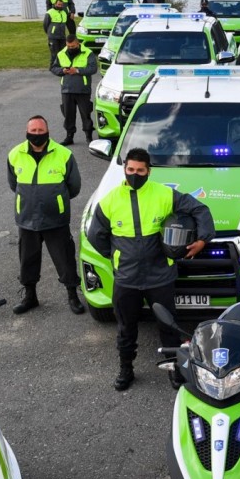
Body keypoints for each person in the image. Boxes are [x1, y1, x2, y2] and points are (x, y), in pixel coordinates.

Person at [86, 148, 216, 391]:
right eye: (130, 169)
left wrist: (202, 239)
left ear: (149, 171)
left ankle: (174, 368)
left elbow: (200, 210)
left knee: (168, 326)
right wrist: (116, 257)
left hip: (160, 276)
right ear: (125, 169)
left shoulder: (164, 194)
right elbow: (96, 235)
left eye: (140, 170)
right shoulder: (110, 200)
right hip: (127, 278)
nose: (134, 174)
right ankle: (126, 370)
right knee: (126, 329)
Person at [7, 115, 84, 316]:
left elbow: (74, 186)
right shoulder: (15, 154)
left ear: (48, 132)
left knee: (65, 258)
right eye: (33, 131)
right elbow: (13, 184)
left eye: (40, 131)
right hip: (27, 218)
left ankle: (72, 295)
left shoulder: (64, 154)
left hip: (55, 219)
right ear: (26, 132)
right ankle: (30, 296)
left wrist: (56, 200)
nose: (37, 134)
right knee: (27, 259)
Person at [50, 35, 98, 146]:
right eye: (68, 46)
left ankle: (89, 136)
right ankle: (69, 136)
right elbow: (53, 68)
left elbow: (93, 68)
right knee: (68, 115)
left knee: (85, 114)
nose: (71, 48)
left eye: (73, 46)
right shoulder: (61, 53)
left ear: (77, 44)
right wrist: (62, 71)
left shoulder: (88, 53)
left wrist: (77, 70)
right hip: (67, 89)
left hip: (83, 89)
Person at [43, 0, 68, 66]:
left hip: (62, 36)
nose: (60, 6)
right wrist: (50, 33)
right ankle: (52, 67)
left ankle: (61, 66)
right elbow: (45, 25)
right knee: (54, 53)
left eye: (61, 5)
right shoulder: (49, 12)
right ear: (55, 4)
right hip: (53, 37)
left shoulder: (64, 13)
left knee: (63, 52)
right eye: (59, 4)